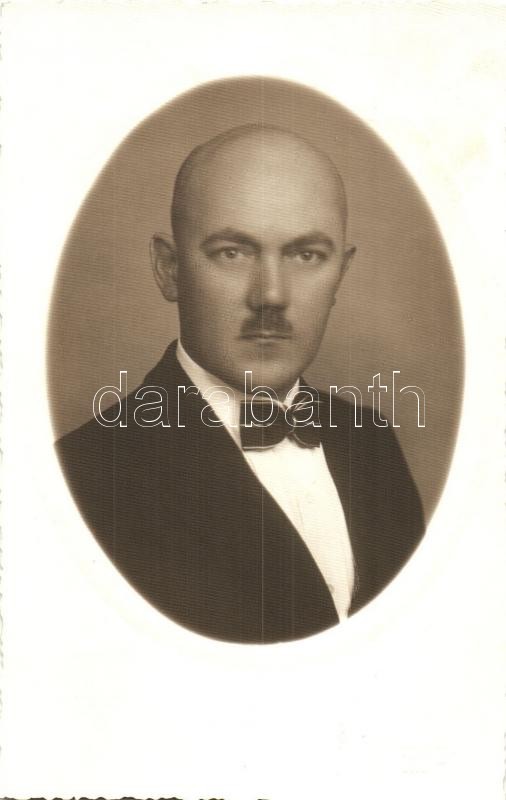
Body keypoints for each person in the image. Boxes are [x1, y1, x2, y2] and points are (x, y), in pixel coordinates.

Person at [56, 125, 425, 644]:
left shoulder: (371, 442)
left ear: (341, 273)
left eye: (305, 255)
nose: (270, 295)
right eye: (233, 252)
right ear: (169, 269)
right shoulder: (85, 475)